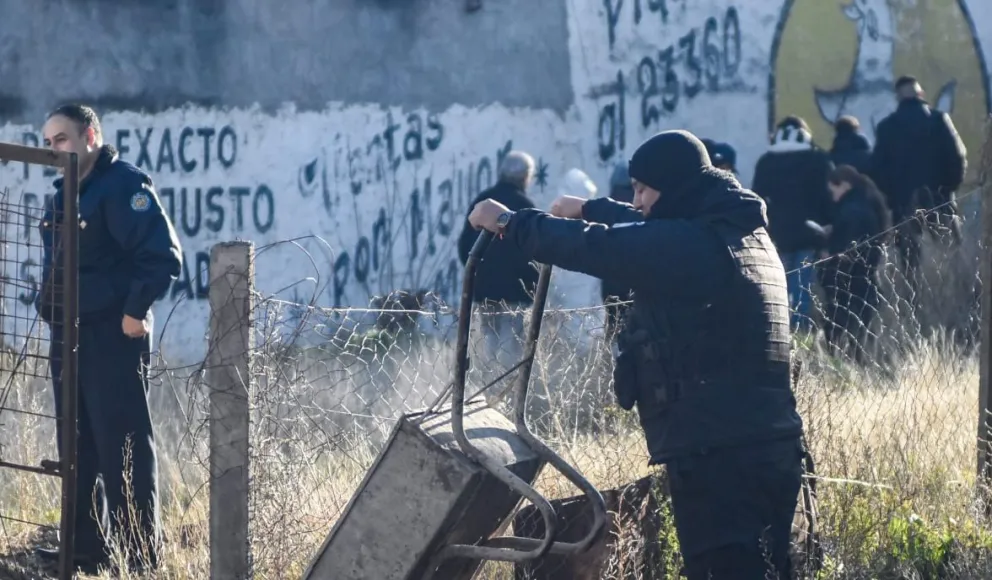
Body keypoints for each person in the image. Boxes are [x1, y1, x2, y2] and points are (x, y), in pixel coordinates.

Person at [467, 130, 807, 579]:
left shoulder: (692, 247)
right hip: (765, 446)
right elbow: (649, 227)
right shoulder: (740, 231)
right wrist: (591, 208)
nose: (637, 200)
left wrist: (509, 221)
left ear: (675, 187)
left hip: (720, 458)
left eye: (644, 189)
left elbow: (601, 246)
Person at [34, 104, 183, 575]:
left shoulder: (122, 187)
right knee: (77, 444)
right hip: (68, 333)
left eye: (61, 139)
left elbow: (162, 256)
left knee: (123, 445)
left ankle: (137, 553)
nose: (53, 149)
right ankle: (85, 548)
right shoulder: (62, 196)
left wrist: (134, 313)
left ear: (90, 136)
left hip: (111, 335)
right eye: (47, 143)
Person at [869, 76, 967, 283]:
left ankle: (913, 300)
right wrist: (949, 188)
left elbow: (877, 170)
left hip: (904, 206)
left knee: (910, 265)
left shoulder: (887, 127)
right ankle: (960, 299)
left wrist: (892, 199)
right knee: (952, 259)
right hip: (940, 201)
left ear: (898, 98)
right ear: (920, 94)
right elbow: (957, 156)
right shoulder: (938, 120)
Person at [456, 150, 540, 386]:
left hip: (486, 290)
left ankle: (488, 388)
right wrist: (531, 286)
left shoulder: (484, 202)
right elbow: (535, 255)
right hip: (516, 293)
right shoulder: (526, 208)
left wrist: (476, 274)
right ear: (526, 177)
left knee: (490, 344)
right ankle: (508, 389)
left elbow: (464, 246)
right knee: (512, 347)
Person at [751, 115, 835, 334]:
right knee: (802, 290)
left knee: (777, 288)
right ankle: (800, 334)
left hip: (776, 235)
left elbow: (758, 198)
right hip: (810, 232)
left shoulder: (766, 161)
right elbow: (827, 197)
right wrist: (827, 226)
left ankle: (777, 333)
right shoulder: (818, 160)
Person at [819, 165, 892, 364]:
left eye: (833, 190)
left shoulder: (852, 210)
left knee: (842, 327)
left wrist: (829, 252)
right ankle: (862, 363)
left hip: (848, 279)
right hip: (866, 278)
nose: (832, 196)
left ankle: (841, 363)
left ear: (844, 185)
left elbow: (848, 246)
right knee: (863, 329)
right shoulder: (867, 202)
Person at [599, 162, 635, 339]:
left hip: (610, 279)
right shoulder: (637, 207)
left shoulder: (606, 208)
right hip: (633, 282)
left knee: (612, 327)